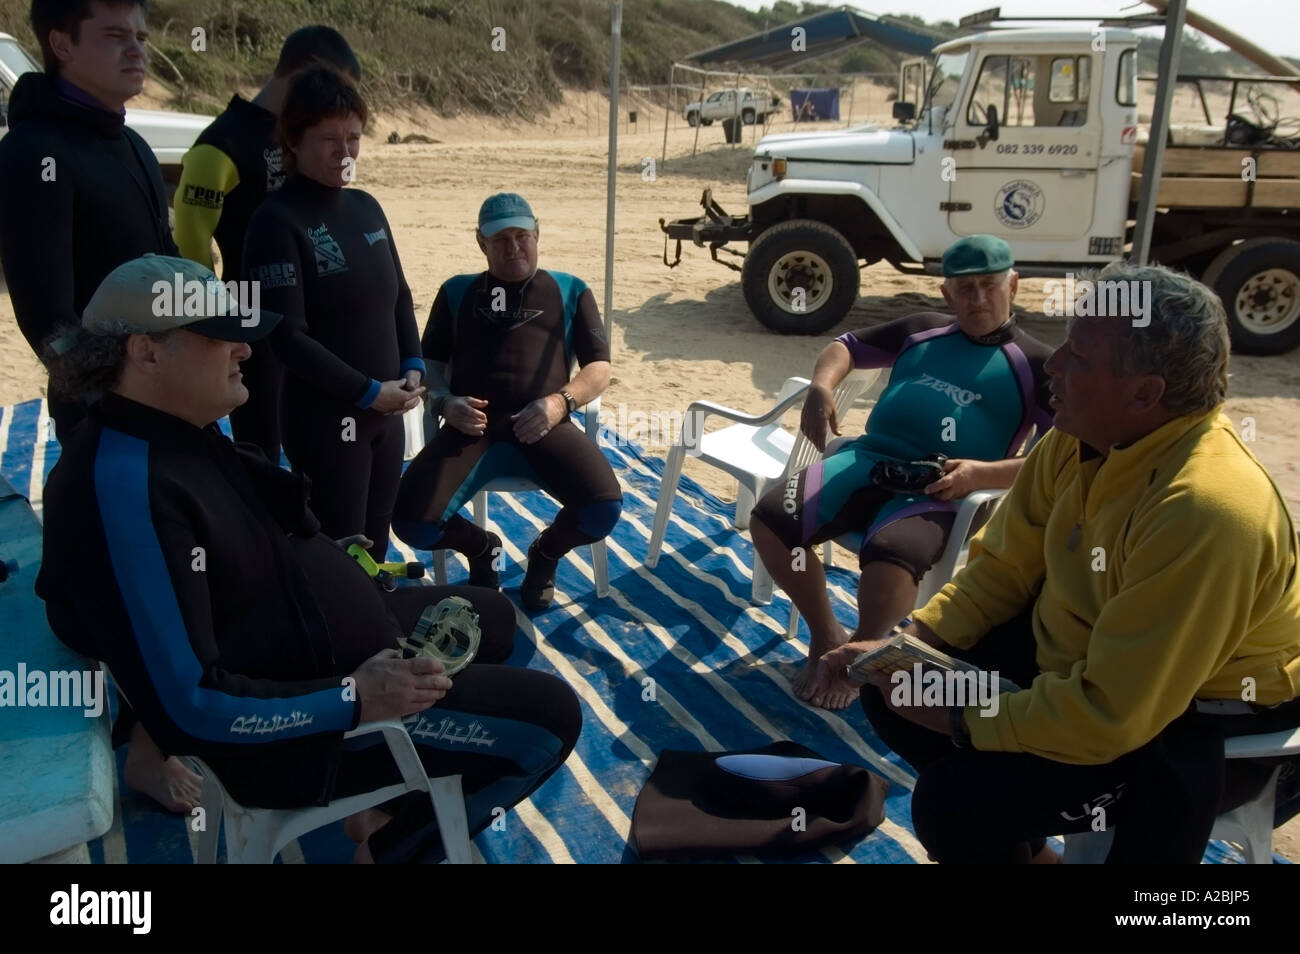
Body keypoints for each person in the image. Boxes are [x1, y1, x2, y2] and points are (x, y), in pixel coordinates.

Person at [36, 254, 582, 864]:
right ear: (147, 352)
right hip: (299, 735)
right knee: (552, 718)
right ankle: (391, 850)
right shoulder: (121, 486)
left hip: (318, 647)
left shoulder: (169, 427)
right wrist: (353, 698)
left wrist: (332, 565)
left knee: (491, 618)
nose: (244, 351)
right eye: (223, 337)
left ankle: (383, 809)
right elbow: (189, 704)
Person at [815, 263, 1300, 864]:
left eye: (1080, 357)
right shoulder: (1077, 437)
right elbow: (1003, 570)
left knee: (955, 802)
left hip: (1203, 718)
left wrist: (965, 717)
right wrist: (908, 643)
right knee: (896, 688)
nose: (1054, 365)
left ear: (1146, 393)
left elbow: (1112, 714)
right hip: (1089, 656)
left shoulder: (1206, 510)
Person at [752, 235, 1054, 710]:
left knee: (891, 553)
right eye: (965, 288)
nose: (978, 299)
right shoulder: (923, 329)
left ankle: (863, 652)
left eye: (989, 286)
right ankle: (824, 631)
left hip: (947, 487)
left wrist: (980, 474)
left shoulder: (1037, 364)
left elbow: (1061, 457)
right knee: (771, 517)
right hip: (868, 459)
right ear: (946, 294)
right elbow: (844, 346)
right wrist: (820, 387)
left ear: (1013, 285)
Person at [392, 193, 622, 610]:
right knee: (411, 523)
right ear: (481, 243)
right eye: (500, 239)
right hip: (471, 429)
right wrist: (444, 403)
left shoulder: (571, 290)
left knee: (602, 510)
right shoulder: (457, 291)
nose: (513, 247)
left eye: (522, 235)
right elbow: (431, 364)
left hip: (544, 428)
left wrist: (558, 403)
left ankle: (545, 554)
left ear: (537, 234)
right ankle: (482, 549)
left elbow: (599, 369)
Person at [242, 67, 424, 561]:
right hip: (326, 419)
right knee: (343, 545)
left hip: (388, 412)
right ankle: (345, 633)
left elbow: (400, 297)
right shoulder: (276, 222)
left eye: (354, 137)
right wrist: (367, 392)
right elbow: (285, 336)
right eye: (329, 139)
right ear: (294, 140)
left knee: (378, 541)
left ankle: (379, 624)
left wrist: (413, 365)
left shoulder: (366, 207)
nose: (345, 152)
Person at [174, 25, 361, 463]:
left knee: (319, 430)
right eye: (330, 88)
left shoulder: (303, 138)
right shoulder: (219, 146)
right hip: (254, 318)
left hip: (313, 314)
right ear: (305, 76)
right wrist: (212, 325)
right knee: (261, 441)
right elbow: (190, 245)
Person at [0, 0, 176, 441]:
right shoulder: (34, 152)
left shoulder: (133, 144)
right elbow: (48, 319)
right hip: (106, 415)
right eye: (116, 37)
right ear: (61, 44)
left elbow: (168, 265)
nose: (137, 51)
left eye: (141, 38)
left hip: (173, 391)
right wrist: (112, 400)